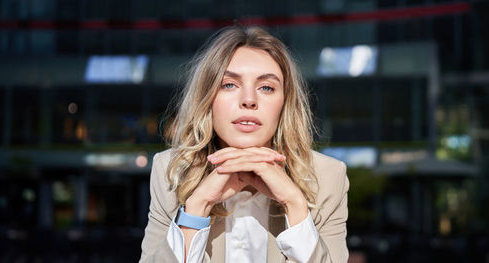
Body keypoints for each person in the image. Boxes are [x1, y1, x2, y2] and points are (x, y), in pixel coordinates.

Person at [139, 26, 349, 263]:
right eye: (229, 85)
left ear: (284, 104)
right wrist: (197, 207)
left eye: (266, 87)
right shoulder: (171, 170)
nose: (249, 100)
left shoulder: (328, 177)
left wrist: (295, 204)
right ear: (207, 98)